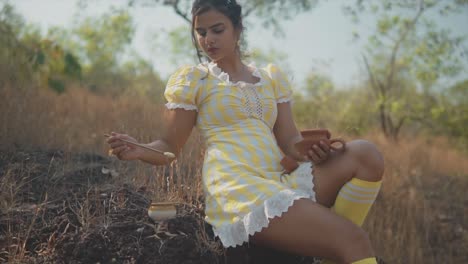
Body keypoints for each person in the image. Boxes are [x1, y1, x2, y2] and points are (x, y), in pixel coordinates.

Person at [106, 0, 384, 263]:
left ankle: (327, 253)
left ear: (238, 29)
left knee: (365, 153)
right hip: (238, 188)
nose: (208, 40)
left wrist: (313, 151)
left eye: (217, 30)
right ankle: (337, 246)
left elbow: (290, 140)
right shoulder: (196, 80)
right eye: (201, 32)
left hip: (278, 179)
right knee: (353, 239)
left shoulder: (270, 78)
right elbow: (169, 146)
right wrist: (140, 149)